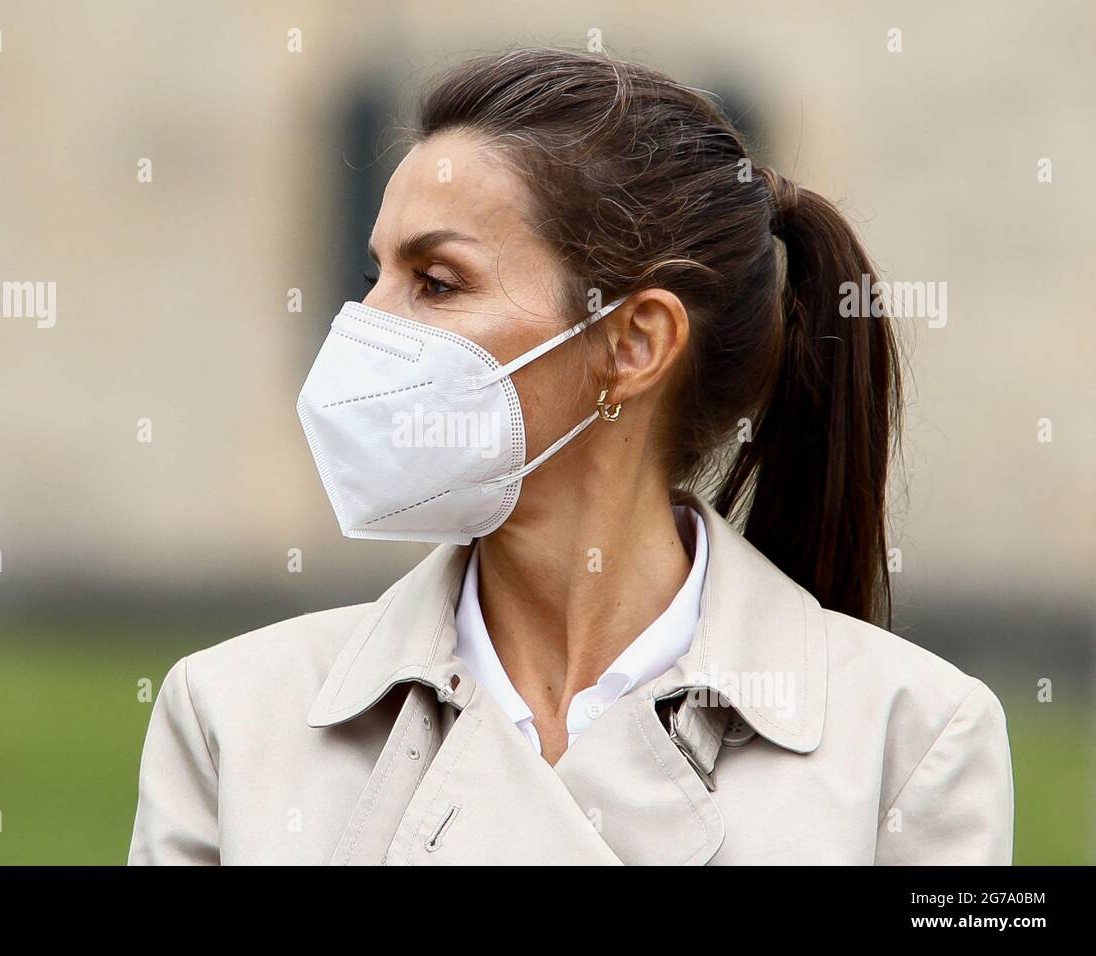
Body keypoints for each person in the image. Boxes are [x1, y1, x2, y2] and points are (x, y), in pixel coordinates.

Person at [128, 47, 1013, 865]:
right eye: (375, 280)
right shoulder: (233, 719)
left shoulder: (914, 741)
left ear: (633, 344)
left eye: (436, 283)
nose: (366, 331)